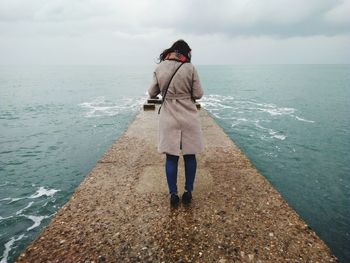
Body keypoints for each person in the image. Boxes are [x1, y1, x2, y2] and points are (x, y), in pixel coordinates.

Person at [148, 39, 204, 206]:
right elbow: (199, 94)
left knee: (171, 158)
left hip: (169, 117)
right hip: (188, 116)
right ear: (186, 52)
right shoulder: (190, 68)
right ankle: (188, 192)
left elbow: (151, 92)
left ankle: (173, 194)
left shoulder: (160, 67)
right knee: (190, 155)